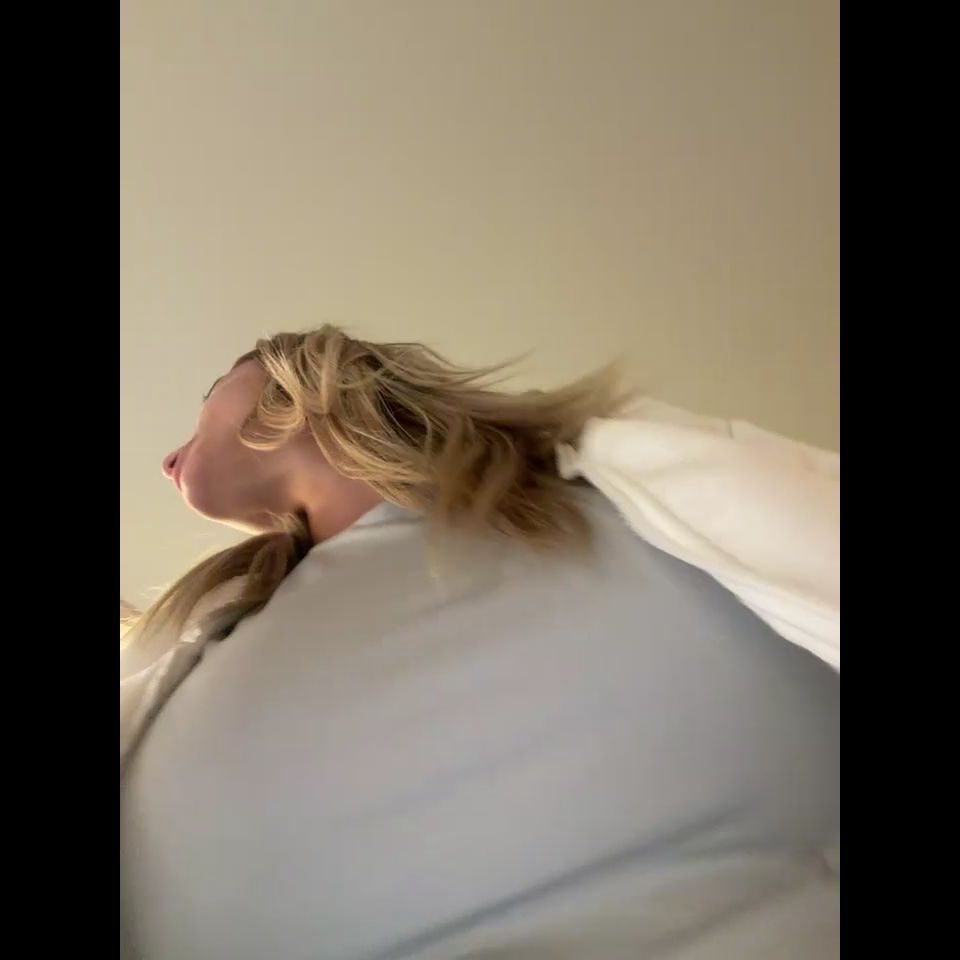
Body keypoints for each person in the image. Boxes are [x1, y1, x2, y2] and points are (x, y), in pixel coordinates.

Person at [120, 325, 839, 959]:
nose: (166, 460)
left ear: (298, 382)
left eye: (210, 394)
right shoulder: (211, 630)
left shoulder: (636, 505)